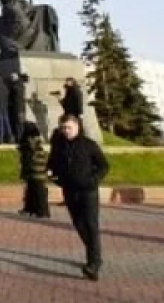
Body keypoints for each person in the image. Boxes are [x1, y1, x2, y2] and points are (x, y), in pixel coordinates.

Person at [46, 114, 108, 281]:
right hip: (69, 191)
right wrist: (53, 176)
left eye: (69, 127)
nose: (66, 131)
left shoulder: (89, 145)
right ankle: (96, 255)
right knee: (79, 225)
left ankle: (93, 265)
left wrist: (93, 180)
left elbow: (103, 166)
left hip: (88, 192)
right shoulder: (59, 146)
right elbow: (51, 164)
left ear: (77, 127)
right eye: (63, 128)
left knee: (91, 225)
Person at [18, 123, 50, 218]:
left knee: (38, 192)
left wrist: (24, 172)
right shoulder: (37, 140)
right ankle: (31, 209)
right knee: (32, 191)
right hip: (39, 170)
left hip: (34, 171)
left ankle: (42, 212)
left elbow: (27, 158)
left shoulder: (28, 141)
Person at [0, 76, 12, 144]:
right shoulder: (6, 88)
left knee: (0, 124)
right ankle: (10, 138)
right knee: (7, 123)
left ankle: (1, 139)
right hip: (5, 107)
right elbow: (8, 96)